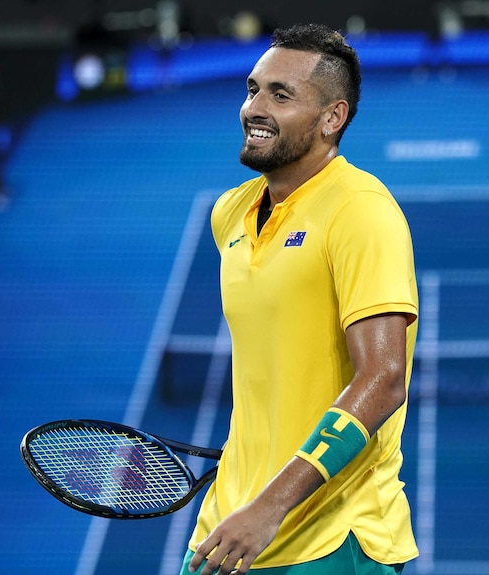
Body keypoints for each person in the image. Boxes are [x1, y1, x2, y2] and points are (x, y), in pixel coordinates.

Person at [182, 24, 420, 575]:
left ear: (332, 118)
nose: (254, 108)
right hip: (229, 525)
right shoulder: (231, 215)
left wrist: (270, 505)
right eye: (252, 89)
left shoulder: (362, 212)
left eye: (280, 95)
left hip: (331, 541)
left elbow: (384, 378)